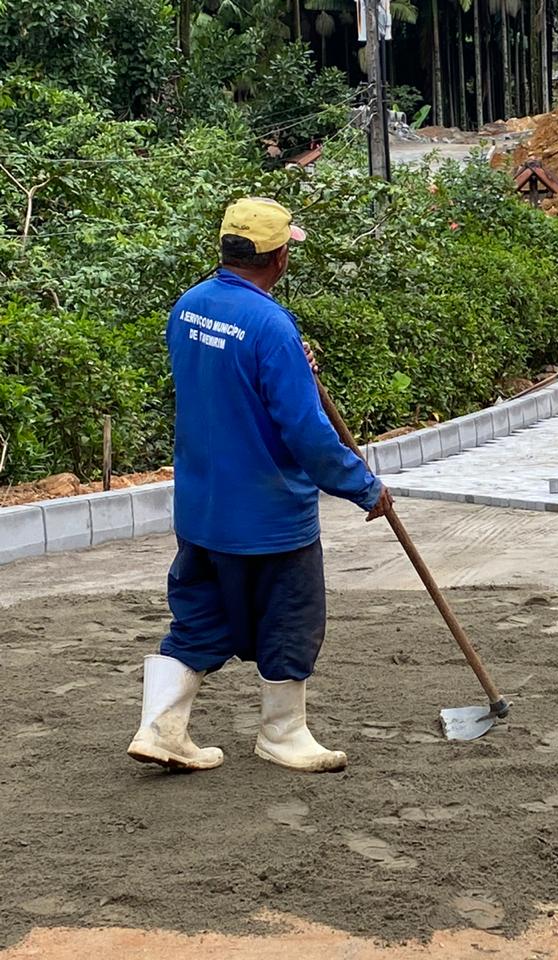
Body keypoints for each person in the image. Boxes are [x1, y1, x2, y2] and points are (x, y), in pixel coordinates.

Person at [127, 197, 393, 775]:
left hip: (202, 507)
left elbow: (226, 381)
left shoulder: (190, 307)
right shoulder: (271, 325)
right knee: (291, 620)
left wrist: (294, 365)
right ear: (276, 259)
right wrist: (363, 485)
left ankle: (161, 726)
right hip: (270, 514)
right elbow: (305, 430)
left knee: (198, 615)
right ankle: (282, 733)